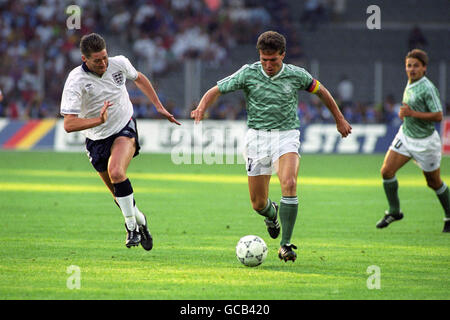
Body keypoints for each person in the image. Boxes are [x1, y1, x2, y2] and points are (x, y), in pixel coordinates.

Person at [191, 31, 352, 262]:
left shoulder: (297, 75)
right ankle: (271, 214)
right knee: (258, 204)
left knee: (289, 182)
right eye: (264, 59)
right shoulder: (248, 73)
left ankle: (285, 245)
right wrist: (201, 108)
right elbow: (216, 90)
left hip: (287, 136)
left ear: (283, 55)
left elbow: (322, 92)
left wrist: (339, 119)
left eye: (273, 60)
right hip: (256, 138)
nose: (268, 65)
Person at [60, 33, 181, 249]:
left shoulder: (120, 64)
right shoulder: (76, 81)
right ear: (84, 59)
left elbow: (140, 78)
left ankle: (131, 228)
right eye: (97, 60)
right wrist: (98, 119)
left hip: (124, 127)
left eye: (105, 57)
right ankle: (141, 222)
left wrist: (158, 105)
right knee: (119, 196)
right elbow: (68, 125)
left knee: (116, 172)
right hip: (96, 139)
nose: (103, 63)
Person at [377, 49, 450, 233]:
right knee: (386, 171)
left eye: (416, 66)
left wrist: (411, 114)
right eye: (409, 65)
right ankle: (394, 211)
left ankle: (449, 214)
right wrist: (407, 116)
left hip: (426, 143)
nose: (411, 69)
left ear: (424, 68)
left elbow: (439, 116)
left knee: (433, 182)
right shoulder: (411, 82)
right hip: (406, 136)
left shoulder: (427, 88)